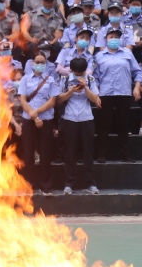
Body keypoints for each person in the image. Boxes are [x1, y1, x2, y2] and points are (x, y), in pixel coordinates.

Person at [91, 26, 139, 162]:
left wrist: (136, 87)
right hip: (105, 94)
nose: (114, 39)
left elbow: (137, 71)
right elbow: (95, 77)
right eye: (111, 37)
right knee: (103, 125)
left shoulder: (127, 53)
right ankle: (101, 154)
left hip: (123, 93)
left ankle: (126, 155)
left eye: (117, 37)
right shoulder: (99, 56)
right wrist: (96, 95)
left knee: (123, 125)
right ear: (106, 39)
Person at [17, 48, 60, 190]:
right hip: (28, 120)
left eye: (43, 62)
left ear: (46, 64)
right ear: (32, 63)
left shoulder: (51, 80)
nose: (40, 64)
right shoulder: (25, 79)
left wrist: (37, 111)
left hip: (46, 119)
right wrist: (33, 115)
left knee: (45, 153)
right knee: (28, 153)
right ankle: (29, 184)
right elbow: (22, 100)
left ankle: (45, 184)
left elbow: (53, 100)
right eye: (37, 62)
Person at [58, 55, 100, 194]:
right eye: (76, 72)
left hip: (86, 117)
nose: (78, 75)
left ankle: (90, 183)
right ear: (71, 70)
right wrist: (71, 90)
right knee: (70, 152)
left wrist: (85, 88)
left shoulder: (90, 79)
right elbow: (59, 99)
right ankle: (69, 183)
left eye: (81, 72)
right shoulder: (64, 80)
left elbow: (95, 99)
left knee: (88, 151)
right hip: (69, 118)